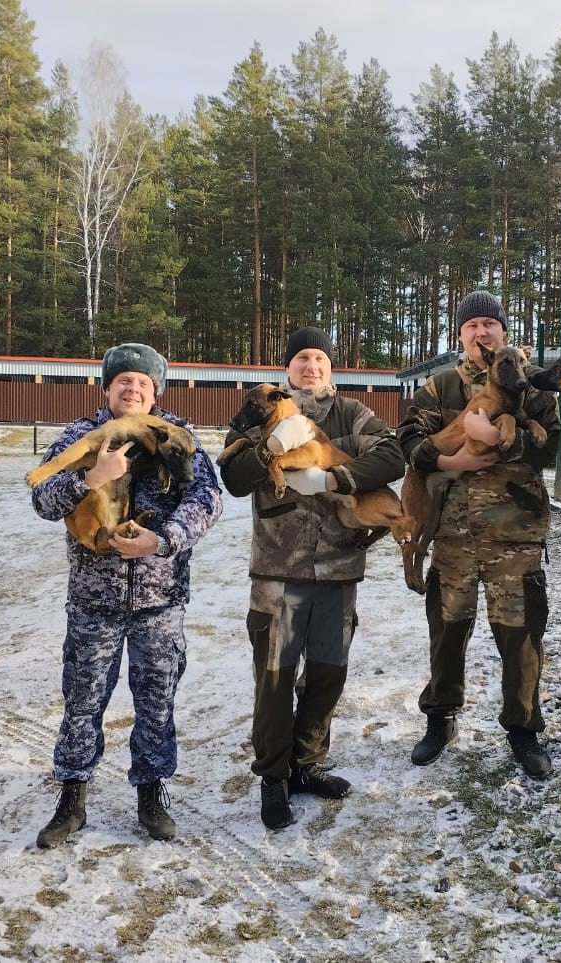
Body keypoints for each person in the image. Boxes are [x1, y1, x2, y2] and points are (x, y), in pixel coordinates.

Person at [29, 343, 223, 846]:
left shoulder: (178, 438)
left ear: (155, 393)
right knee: (82, 700)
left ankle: (151, 795)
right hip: (94, 602)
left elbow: (206, 499)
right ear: (107, 388)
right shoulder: (81, 436)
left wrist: (163, 541)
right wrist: (92, 477)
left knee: (157, 701)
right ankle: (72, 796)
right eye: (124, 382)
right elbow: (43, 499)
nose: (133, 389)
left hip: (160, 602)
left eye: (143, 383)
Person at [218, 326, 406, 830]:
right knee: (275, 680)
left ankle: (307, 764)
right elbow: (233, 479)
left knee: (328, 674)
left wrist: (333, 477)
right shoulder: (261, 410)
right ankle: (274, 778)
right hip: (278, 572)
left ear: (331, 367)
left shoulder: (350, 413)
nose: (311, 367)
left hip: (340, 569)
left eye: (319, 358)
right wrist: (270, 448)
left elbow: (392, 455)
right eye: (302, 358)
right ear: (287, 367)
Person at [396, 291, 561, 780]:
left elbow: (548, 451)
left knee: (521, 636)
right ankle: (440, 719)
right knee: (446, 631)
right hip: (451, 536)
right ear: (461, 335)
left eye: (491, 323)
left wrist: (496, 442)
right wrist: (449, 460)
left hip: (515, 535)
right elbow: (406, 441)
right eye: (472, 326)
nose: (481, 332)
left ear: (503, 334)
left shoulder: (533, 390)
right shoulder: (440, 387)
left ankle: (523, 730)